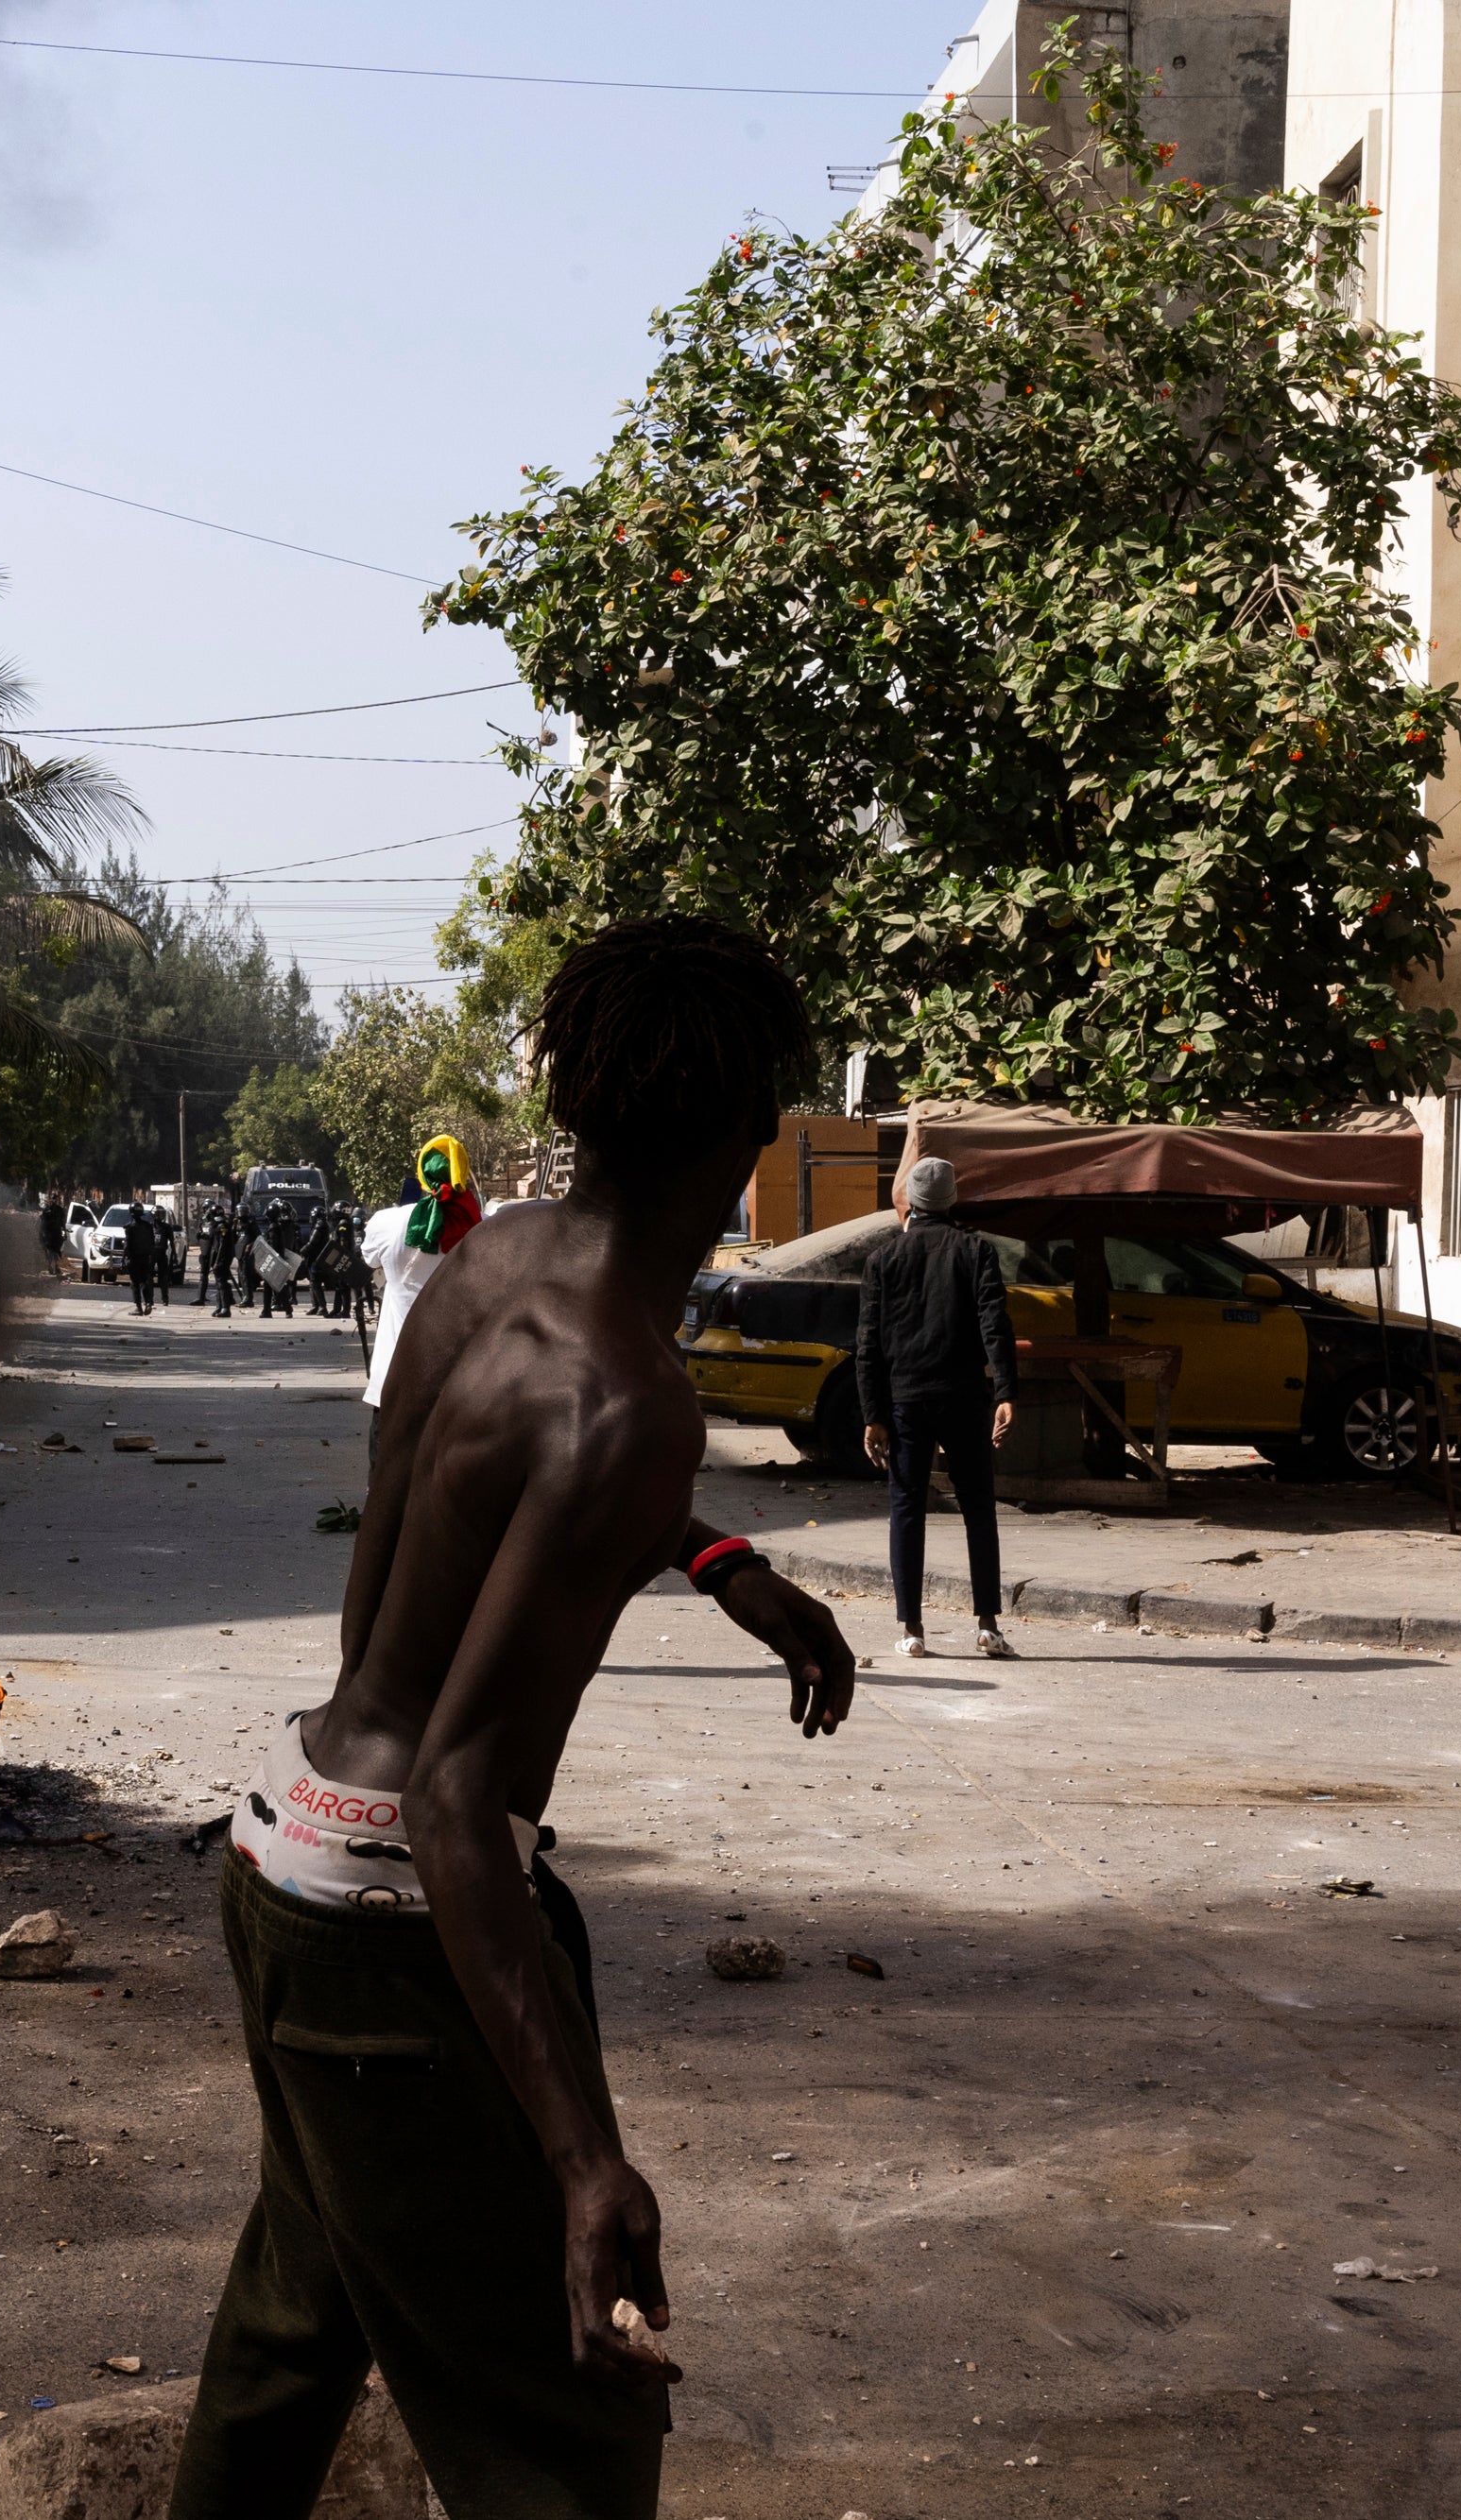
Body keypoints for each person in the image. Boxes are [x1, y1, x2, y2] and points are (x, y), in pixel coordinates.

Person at [170, 917, 857, 2520]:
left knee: (293, 2338)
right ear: (751, 1128)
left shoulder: (485, 1263)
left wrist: (719, 1558)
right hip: (398, 1920)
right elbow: (456, 1799)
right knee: (568, 2434)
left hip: (284, 1851)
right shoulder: (632, 1400)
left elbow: (479, 1484)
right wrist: (582, 2158)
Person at [851, 1155, 1018, 1660]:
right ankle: (987, 1625)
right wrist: (1006, 1392)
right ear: (952, 1200)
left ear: (910, 1202)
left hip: (905, 1400)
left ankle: (912, 1629)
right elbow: (995, 1323)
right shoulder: (976, 1251)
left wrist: (873, 1414)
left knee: (907, 1509)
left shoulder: (883, 1259)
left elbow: (868, 1343)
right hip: (964, 1397)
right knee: (978, 1507)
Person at [359, 1135, 483, 1468]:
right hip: (459, 1377)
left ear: (422, 1175)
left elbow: (368, 1258)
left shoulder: (387, 1222)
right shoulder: (480, 1228)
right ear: (462, 1173)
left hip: (394, 1375)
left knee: (386, 1473)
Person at [202, 1195, 238, 1320]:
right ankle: (219, 1306)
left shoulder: (222, 1226)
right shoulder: (217, 1226)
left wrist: (217, 1261)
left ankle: (225, 1308)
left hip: (222, 1258)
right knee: (218, 1283)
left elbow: (222, 1246)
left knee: (222, 1283)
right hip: (217, 1257)